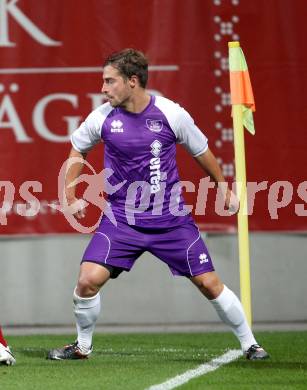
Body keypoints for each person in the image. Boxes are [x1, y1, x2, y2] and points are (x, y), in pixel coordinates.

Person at [47, 48, 268, 361]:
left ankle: (250, 344)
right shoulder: (102, 118)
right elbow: (76, 151)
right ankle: (82, 346)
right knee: (87, 281)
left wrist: (224, 190)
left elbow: (202, 152)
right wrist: (70, 196)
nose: (103, 88)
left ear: (132, 81)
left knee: (209, 283)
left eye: (110, 81)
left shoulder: (171, 114)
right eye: (103, 81)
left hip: (171, 221)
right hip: (121, 221)